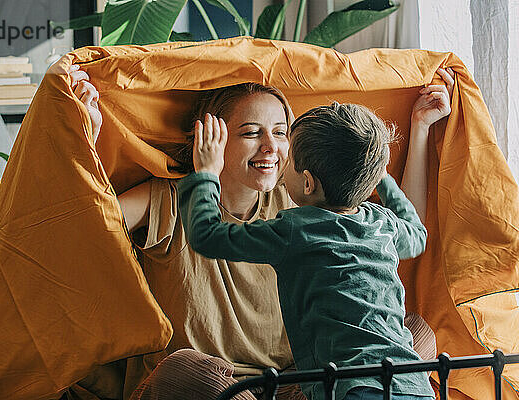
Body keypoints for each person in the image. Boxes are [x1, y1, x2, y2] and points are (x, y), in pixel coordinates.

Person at [69, 65, 452, 400]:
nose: (271, 147)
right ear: (212, 138)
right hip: (215, 387)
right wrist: (89, 139)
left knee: (412, 333)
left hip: (297, 383)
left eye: (282, 132)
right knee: (184, 370)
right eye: (252, 132)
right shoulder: (170, 199)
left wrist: (418, 130)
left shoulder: (304, 200)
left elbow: (402, 229)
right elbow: (84, 227)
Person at [177, 95, 451, 399]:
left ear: (307, 183)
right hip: (409, 383)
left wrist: (206, 173)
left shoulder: (295, 229)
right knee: (412, 333)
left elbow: (206, 235)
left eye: (290, 157)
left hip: (350, 389)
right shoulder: (382, 223)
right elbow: (418, 235)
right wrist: (381, 177)